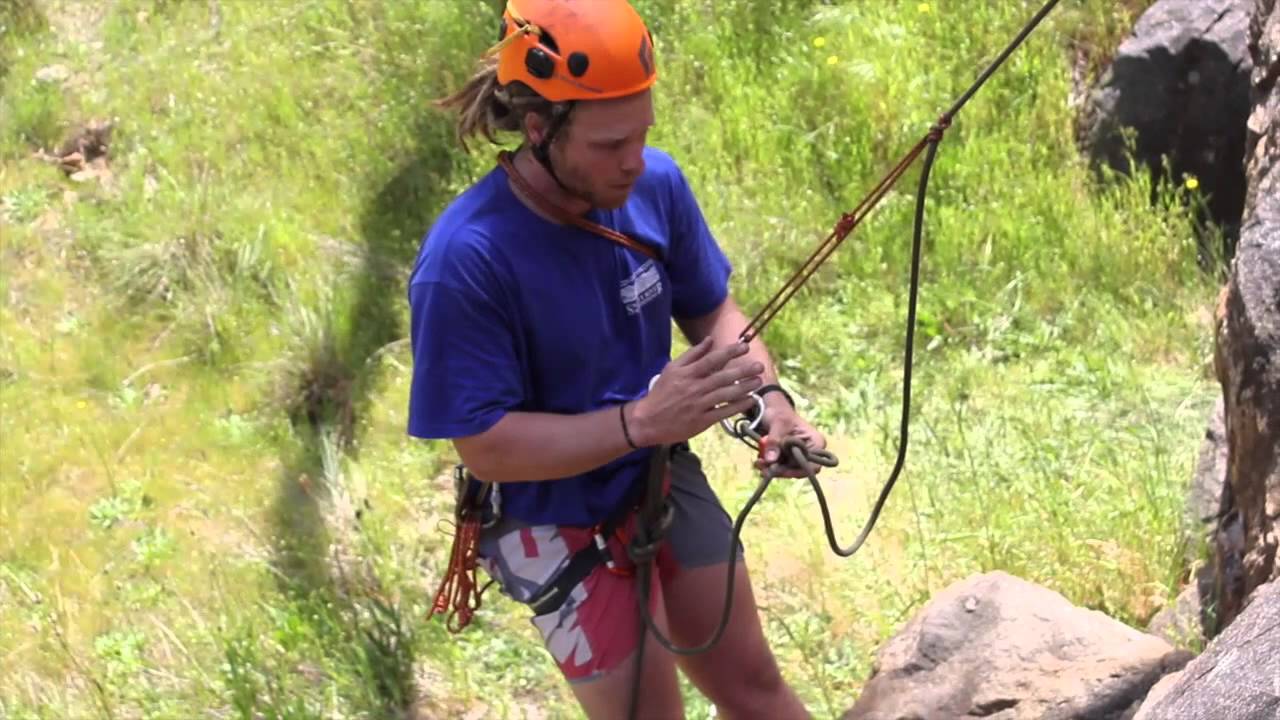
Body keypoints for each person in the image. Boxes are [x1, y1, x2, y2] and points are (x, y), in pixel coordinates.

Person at [407, 2, 827, 717]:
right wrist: (639, 422)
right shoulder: (467, 260)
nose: (633, 160)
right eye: (609, 144)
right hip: (550, 514)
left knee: (756, 691)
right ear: (539, 129)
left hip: (655, 473)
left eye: (642, 134)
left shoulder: (652, 186)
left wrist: (771, 403)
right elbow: (485, 447)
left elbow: (715, 314)